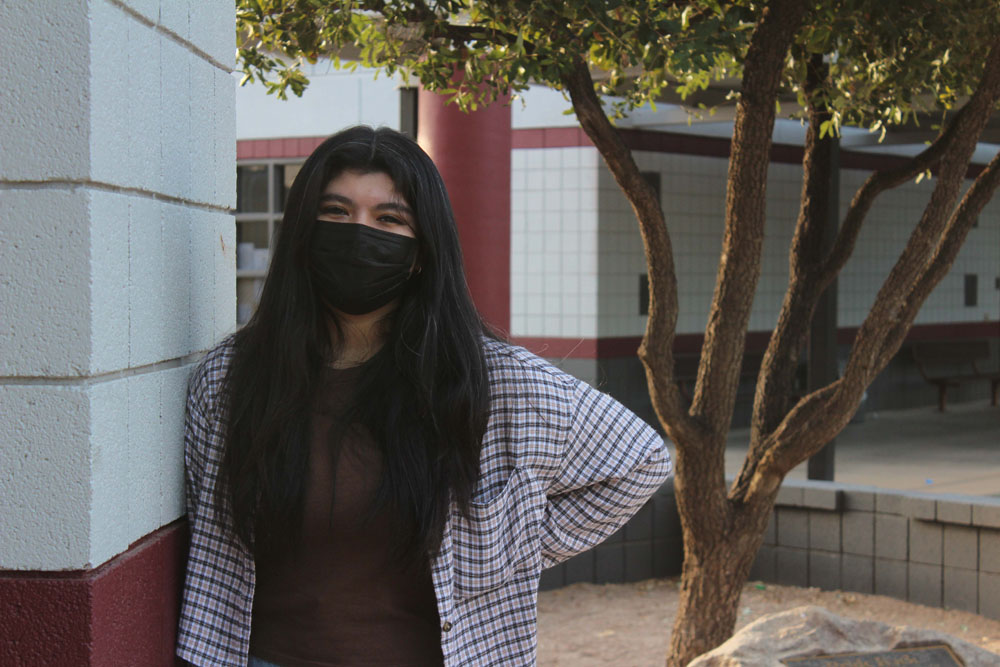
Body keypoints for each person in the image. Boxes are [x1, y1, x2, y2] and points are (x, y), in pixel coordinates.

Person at [176, 126, 672, 667]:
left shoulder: (489, 381)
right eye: (336, 212)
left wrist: (505, 551)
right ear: (302, 232)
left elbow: (641, 461)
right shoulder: (231, 380)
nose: (359, 234)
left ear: (421, 252)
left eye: (389, 220)